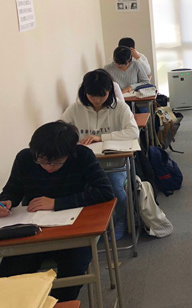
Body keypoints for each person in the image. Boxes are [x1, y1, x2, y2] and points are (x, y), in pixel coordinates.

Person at [0, 121, 114, 301]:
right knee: (8, 274)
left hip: (75, 231)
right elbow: (12, 190)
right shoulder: (25, 158)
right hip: (34, 232)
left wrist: (56, 203)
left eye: (56, 162)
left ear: (69, 153)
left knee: (72, 273)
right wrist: (5, 201)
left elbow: (105, 191)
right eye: (42, 160)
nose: (48, 166)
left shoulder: (82, 156)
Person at [60, 69, 138, 239]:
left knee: (113, 186)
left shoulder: (119, 107)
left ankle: (120, 219)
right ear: (84, 92)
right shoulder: (75, 109)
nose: (96, 100)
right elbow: (60, 131)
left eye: (101, 95)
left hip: (114, 162)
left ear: (109, 91)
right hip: (85, 164)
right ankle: (91, 225)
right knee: (76, 188)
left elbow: (133, 132)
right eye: (92, 95)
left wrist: (102, 137)